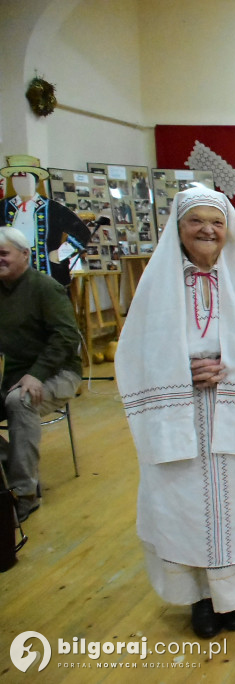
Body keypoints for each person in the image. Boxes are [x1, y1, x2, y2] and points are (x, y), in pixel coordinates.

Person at [115, 187, 235, 639]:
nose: (207, 229)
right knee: (183, 505)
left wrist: (233, 368)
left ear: (229, 228)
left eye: (215, 222)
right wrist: (181, 370)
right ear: (178, 228)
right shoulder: (158, 282)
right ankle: (199, 597)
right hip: (181, 413)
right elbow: (135, 353)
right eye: (196, 221)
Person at [0, 228, 82, 522]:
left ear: (25, 254)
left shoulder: (45, 288)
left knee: (19, 402)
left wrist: (36, 374)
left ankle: (24, 493)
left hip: (58, 373)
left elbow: (66, 337)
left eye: (3, 254)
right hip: (10, 375)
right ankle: (12, 468)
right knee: (14, 395)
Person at [1, 155, 91, 288]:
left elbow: (82, 232)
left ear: (36, 182)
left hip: (49, 273)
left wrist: (60, 254)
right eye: (16, 178)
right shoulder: (3, 207)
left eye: (26, 178)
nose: (21, 183)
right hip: (12, 274)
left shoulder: (52, 208)